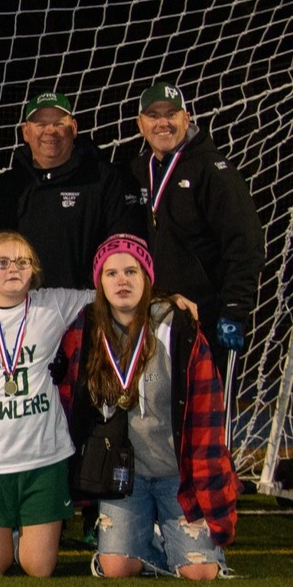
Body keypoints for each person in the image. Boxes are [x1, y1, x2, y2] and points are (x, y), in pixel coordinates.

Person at [59, 233, 235, 579]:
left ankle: (176, 545)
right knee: (116, 568)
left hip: (177, 475)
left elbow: (206, 417)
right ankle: (148, 540)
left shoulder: (176, 327)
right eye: (111, 273)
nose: (121, 280)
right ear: (99, 282)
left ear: (147, 279)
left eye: (131, 272)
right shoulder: (86, 329)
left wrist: (210, 493)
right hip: (126, 478)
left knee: (199, 573)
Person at [0, 231, 94, 577]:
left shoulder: (54, 305)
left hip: (42, 455)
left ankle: (23, 537)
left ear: (34, 270)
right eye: (1, 262)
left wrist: (168, 298)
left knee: (38, 567)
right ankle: (6, 538)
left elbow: (115, 292)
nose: (12, 268)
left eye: (22, 262)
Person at [129, 81, 264, 371]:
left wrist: (234, 310)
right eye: (153, 116)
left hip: (208, 319)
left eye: (171, 114)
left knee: (208, 414)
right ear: (140, 124)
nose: (162, 123)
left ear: (186, 119)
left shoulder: (213, 171)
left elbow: (246, 243)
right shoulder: (138, 170)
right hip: (156, 315)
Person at [0, 90, 145, 290]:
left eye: (59, 123)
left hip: (85, 307)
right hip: (27, 308)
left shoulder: (104, 179)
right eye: (40, 124)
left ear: (74, 128)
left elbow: (122, 247)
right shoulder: (7, 187)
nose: (50, 130)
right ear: (26, 132)